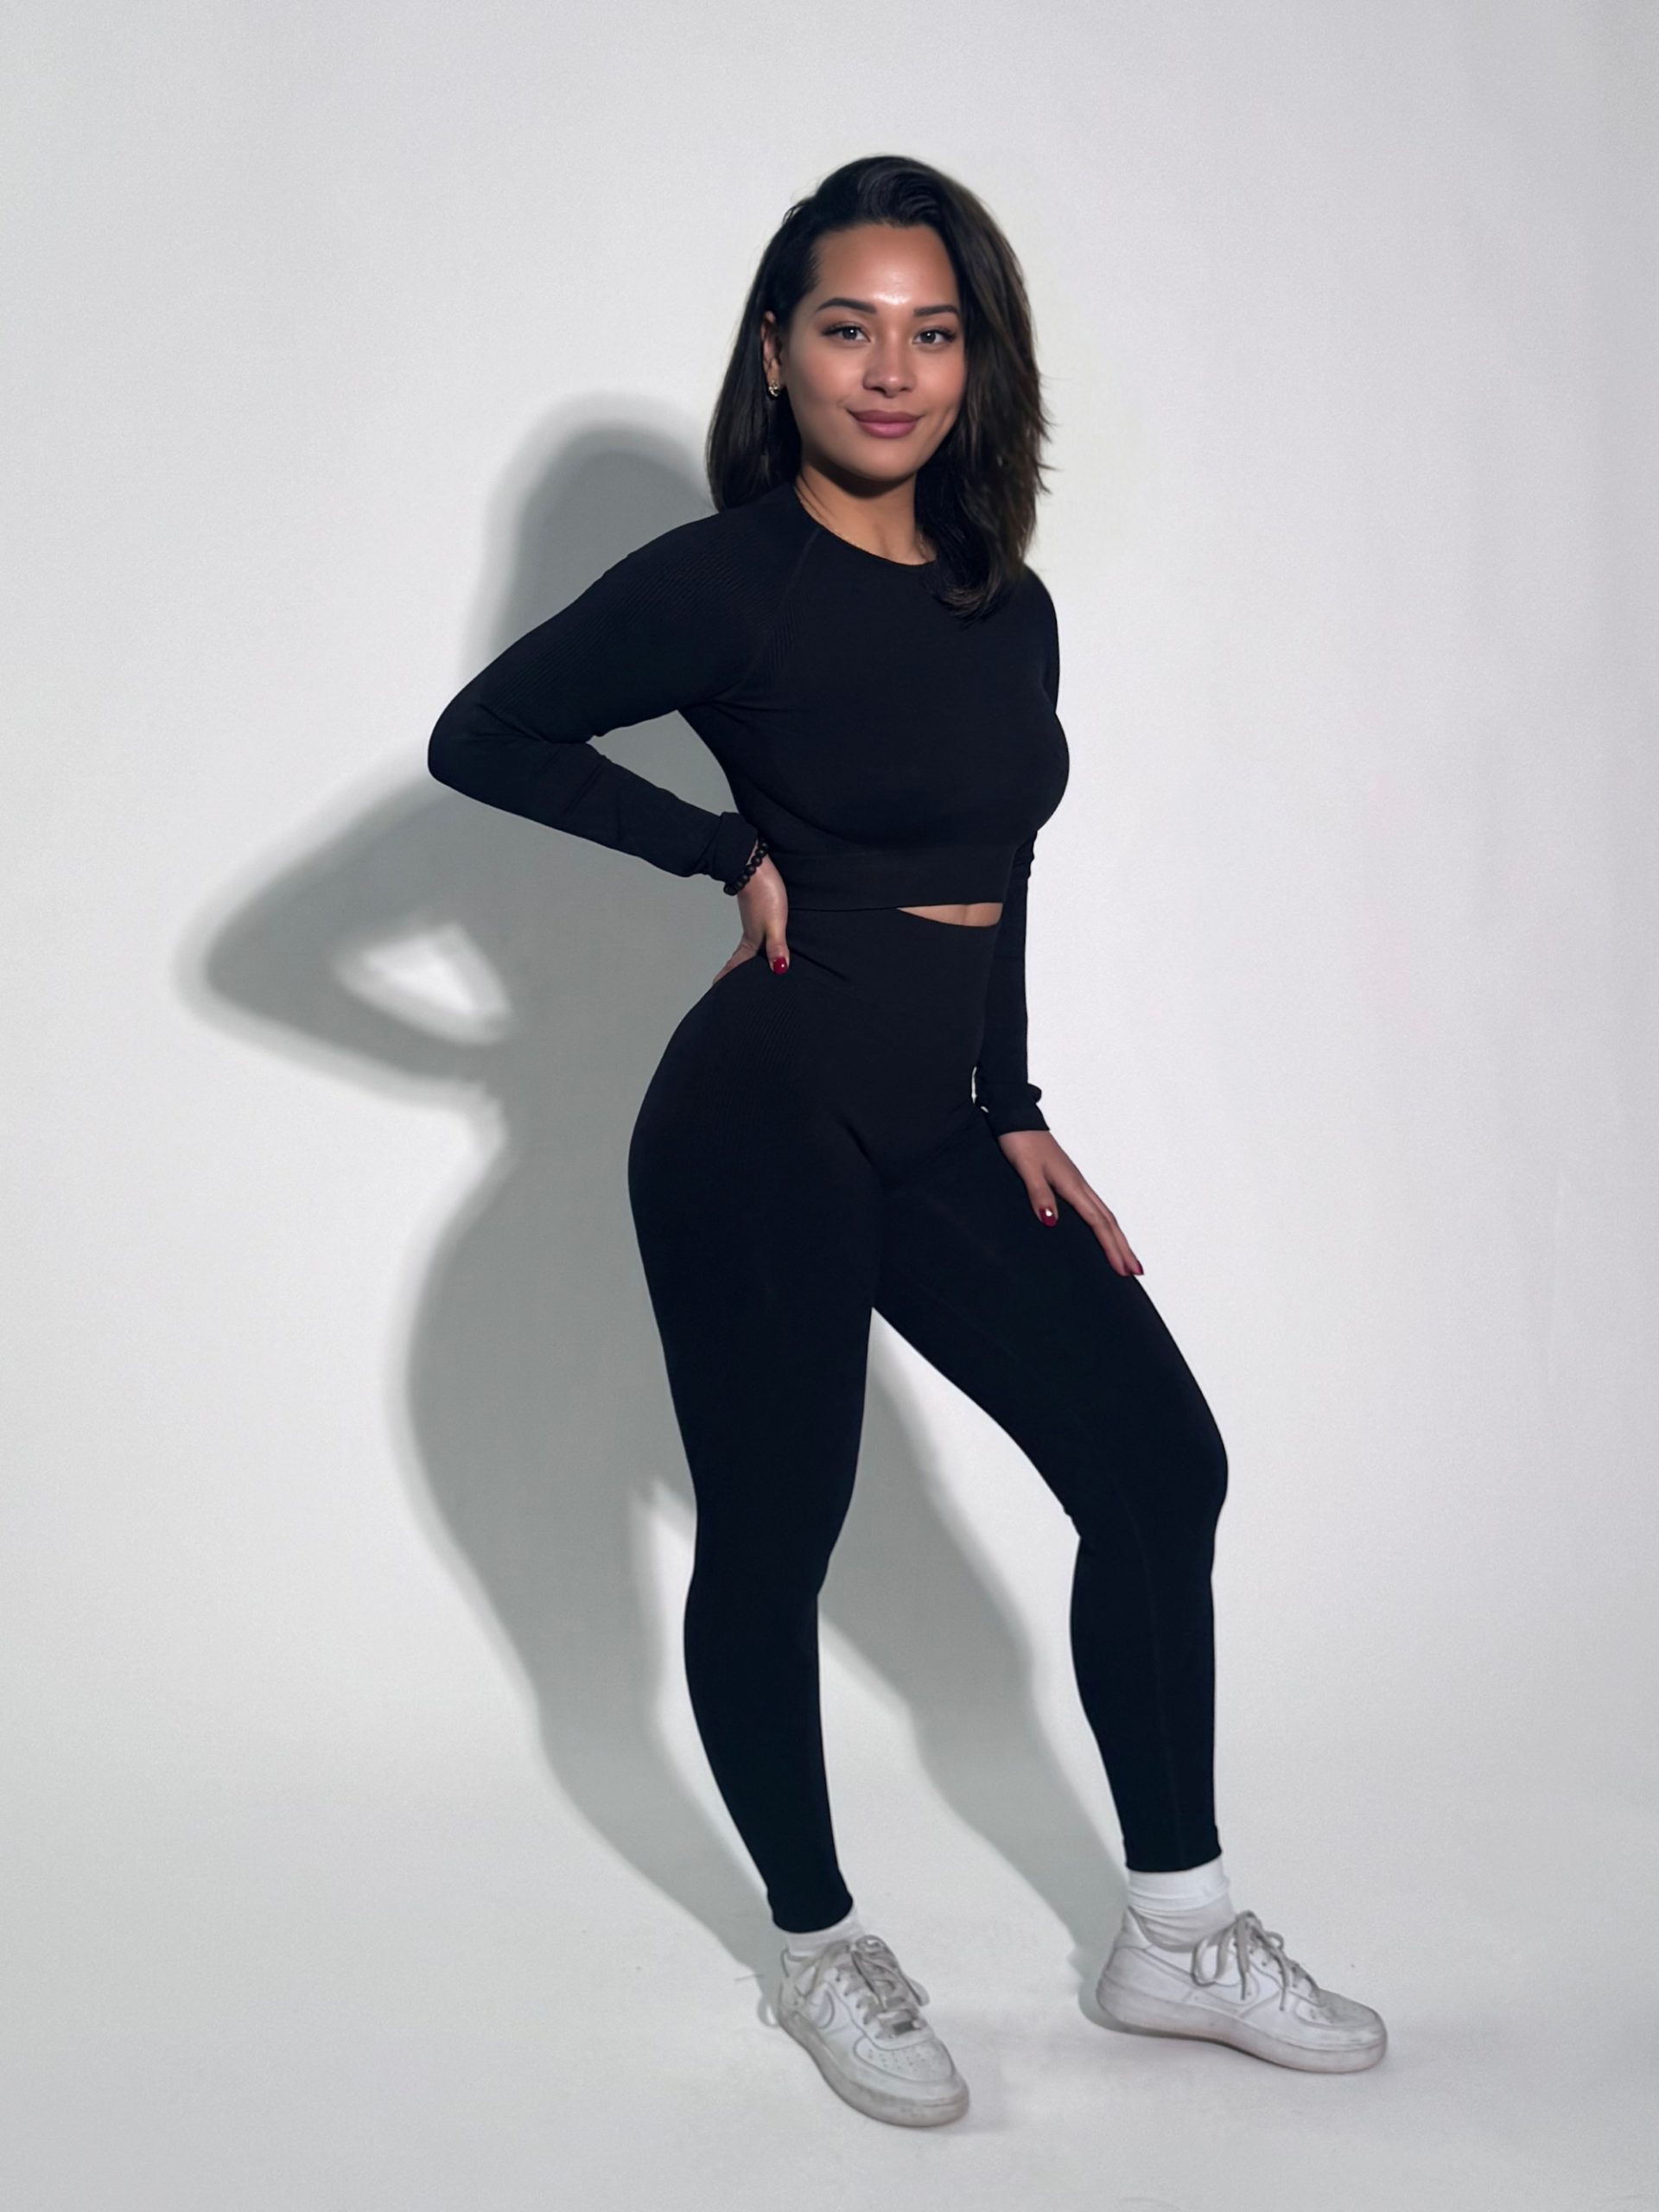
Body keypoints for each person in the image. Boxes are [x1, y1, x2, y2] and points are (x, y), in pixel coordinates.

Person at [428, 153, 1386, 2128]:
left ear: (977, 359)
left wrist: (1019, 1107)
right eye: (848, 328)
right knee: (779, 1531)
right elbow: (484, 735)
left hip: (940, 1116)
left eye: (931, 331)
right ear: (778, 353)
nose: (892, 370)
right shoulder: (728, 576)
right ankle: (814, 1940)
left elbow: (1000, 876)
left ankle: (1176, 1931)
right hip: (758, 1113)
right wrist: (719, 845)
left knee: (1157, 1468)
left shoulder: (1000, 601)